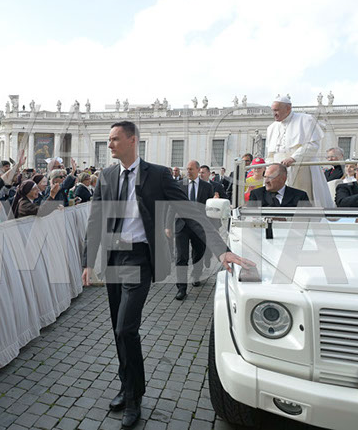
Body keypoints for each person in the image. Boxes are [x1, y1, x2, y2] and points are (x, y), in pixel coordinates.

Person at [81, 121, 254, 428]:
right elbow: (95, 219)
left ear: (133, 140)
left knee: (126, 329)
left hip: (141, 259)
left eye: (115, 139)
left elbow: (190, 211)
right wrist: (87, 261)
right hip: (114, 258)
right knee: (118, 330)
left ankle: (134, 397)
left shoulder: (158, 175)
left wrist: (221, 250)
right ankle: (126, 384)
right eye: (108, 139)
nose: (109, 145)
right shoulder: (106, 176)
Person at [168, 160, 228, 301]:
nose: (188, 171)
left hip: (200, 226)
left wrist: (213, 226)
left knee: (198, 252)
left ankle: (196, 275)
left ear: (197, 169)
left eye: (191, 169)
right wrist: (167, 225)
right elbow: (172, 205)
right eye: (187, 169)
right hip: (182, 226)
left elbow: (210, 207)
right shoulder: (179, 185)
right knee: (181, 257)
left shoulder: (207, 187)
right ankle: (181, 288)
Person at [266, 96, 333, 207]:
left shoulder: (306, 120)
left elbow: (312, 145)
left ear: (288, 108)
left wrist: (294, 158)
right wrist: (271, 168)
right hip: (278, 171)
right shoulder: (271, 127)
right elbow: (270, 154)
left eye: (277, 110)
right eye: (273, 110)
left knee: (304, 199)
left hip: (302, 167)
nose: (274, 114)